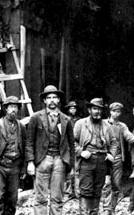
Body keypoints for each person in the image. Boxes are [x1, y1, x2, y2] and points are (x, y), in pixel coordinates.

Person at [26, 85, 75, 215]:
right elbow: (29, 141)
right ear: (44, 101)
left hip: (59, 160)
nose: (52, 100)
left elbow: (71, 144)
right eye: (49, 98)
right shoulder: (36, 117)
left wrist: (71, 166)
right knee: (40, 198)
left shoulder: (66, 119)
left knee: (57, 198)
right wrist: (30, 162)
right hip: (43, 160)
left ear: (59, 100)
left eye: (55, 97)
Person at [73, 98, 120, 214]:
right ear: (89, 110)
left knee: (97, 190)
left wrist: (111, 154)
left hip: (102, 160)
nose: (97, 112)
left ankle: (94, 213)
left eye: (99, 109)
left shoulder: (107, 126)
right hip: (86, 160)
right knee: (85, 190)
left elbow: (114, 142)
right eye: (94, 109)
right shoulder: (80, 124)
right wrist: (80, 152)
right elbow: (71, 142)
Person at [0, 95, 26, 215]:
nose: (13, 110)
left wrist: (23, 168)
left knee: (12, 198)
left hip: (15, 166)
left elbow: (24, 148)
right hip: (0, 166)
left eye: (15, 107)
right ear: (6, 109)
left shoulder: (21, 126)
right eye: (11, 107)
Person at [102, 102, 134, 215]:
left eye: (118, 111)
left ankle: (112, 208)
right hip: (104, 157)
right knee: (105, 184)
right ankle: (106, 209)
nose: (116, 113)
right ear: (110, 112)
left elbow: (129, 136)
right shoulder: (103, 123)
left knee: (116, 184)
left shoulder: (122, 126)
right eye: (114, 111)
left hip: (117, 159)